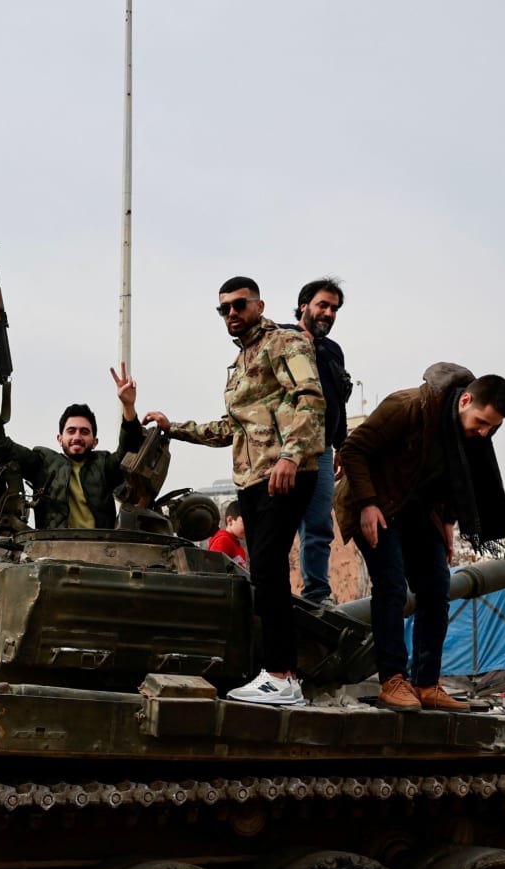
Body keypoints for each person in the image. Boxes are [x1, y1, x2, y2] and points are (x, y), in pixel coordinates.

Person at [131, 276, 326, 707]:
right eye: (224, 309)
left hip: (283, 471)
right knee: (265, 573)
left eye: (240, 305)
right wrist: (174, 428)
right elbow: (230, 428)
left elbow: (310, 398)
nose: (232, 314)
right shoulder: (241, 362)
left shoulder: (284, 343)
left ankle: (281, 676)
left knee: (270, 567)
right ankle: (281, 673)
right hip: (251, 479)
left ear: (259, 305)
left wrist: (291, 455)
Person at [337, 362, 505, 712]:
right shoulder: (408, 406)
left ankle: (426, 683)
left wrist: (448, 523)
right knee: (391, 586)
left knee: (436, 589)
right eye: (482, 422)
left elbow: (454, 480)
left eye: (492, 427)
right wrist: (368, 504)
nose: (484, 433)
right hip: (377, 503)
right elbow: (354, 448)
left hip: (421, 513)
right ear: (465, 401)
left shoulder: (470, 434)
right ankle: (392, 680)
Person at [0, 373, 146, 531]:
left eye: (84, 432)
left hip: (100, 546)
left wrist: (128, 406)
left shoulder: (104, 464)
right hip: (53, 545)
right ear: (60, 439)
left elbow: (129, 450)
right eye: (71, 431)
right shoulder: (43, 463)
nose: (77, 437)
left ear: (95, 441)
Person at [281, 277, 354, 606]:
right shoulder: (282, 337)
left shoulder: (333, 350)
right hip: (283, 448)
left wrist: (342, 445)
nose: (328, 312)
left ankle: (316, 594)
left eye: (334, 308)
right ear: (303, 306)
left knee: (319, 525)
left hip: (322, 450)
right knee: (278, 524)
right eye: (322, 305)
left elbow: (339, 400)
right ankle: (271, 591)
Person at [206, 499, 248, 570]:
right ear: (230, 520)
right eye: (245, 522)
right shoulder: (223, 541)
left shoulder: (238, 546)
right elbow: (213, 570)